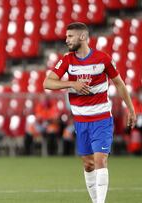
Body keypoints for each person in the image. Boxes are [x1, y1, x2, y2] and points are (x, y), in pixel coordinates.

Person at [43, 22, 136, 203]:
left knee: (100, 160)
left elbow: (119, 83)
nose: (66, 40)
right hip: (80, 121)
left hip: (101, 119)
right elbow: (47, 83)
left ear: (83, 37)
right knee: (88, 164)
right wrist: (72, 84)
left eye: (70, 36)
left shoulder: (103, 58)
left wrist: (130, 109)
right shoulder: (67, 60)